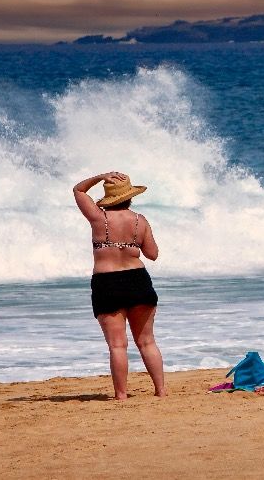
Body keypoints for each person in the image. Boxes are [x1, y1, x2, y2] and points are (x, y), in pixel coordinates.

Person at [73, 171, 167, 399]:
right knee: (147, 341)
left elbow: (78, 190)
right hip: (138, 280)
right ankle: (161, 391)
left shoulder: (98, 218)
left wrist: (101, 176)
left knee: (117, 345)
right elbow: (152, 254)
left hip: (108, 282)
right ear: (130, 196)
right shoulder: (139, 221)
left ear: (109, 198)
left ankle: (121, 395)